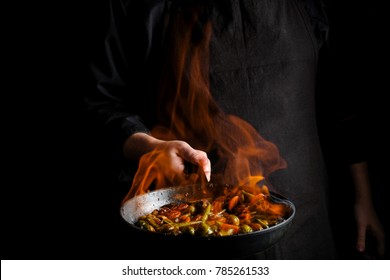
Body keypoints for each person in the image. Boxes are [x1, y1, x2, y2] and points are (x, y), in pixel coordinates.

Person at [87, 0, 384, 259]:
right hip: (189, 233)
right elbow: (101, 101)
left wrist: (363, 196)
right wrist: (150, 146)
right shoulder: (131, 5)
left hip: (306, 218)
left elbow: (341, 96)